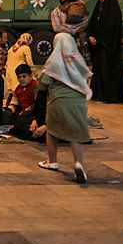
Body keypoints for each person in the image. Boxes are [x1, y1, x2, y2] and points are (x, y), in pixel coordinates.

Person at [36, 33, 92, 183]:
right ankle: (78, 163)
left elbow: (42, 84)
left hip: (59, 101)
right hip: (79, 101)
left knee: (51, 130)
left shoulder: (54, 61)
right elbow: (86, 77)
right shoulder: (78, 60)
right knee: (75, 133)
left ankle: (52, 161)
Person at [87, 0, 123, 103]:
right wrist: (90, 36)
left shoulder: (114, 11)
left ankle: (107, 95)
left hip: (108, 48)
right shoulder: (98, 8)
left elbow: (111, 30)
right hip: (98, 47)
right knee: (98, 71)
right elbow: (91, 24)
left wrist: (99, 40)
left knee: (107, 72)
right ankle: (97, 94)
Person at [6, 65, 48, 143]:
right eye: (19, 77)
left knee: (21, 121)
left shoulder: (35, 86)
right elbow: (14, 103)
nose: (21, 79)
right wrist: (8, 111)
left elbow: (37, 105)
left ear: (30, 76)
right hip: (22, 112)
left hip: (31, 113)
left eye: (24, 76)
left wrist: (26, 111)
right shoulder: (18, 88)